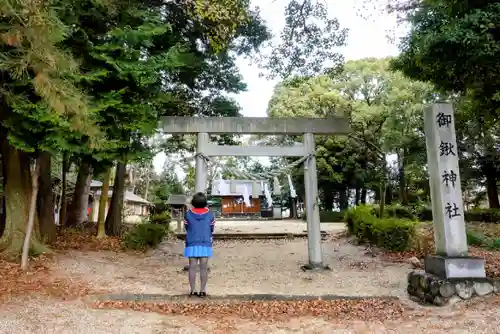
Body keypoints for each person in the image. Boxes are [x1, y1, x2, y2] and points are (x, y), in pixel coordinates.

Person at [184, 192, 215, 297]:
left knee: (192, 267)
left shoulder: (188, 214)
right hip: (205, 242)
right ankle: (202, 291)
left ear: (193, 202)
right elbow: (211, 228)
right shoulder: (210, 214)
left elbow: (187, 227)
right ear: (205, 202)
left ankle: (192, 290)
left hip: (191, 242)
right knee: (203, 267)